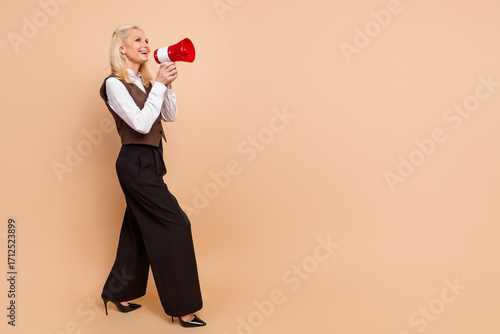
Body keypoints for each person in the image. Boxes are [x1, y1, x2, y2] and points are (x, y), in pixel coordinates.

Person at [99, 24, 205, 328]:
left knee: (137, 228)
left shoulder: (146, 81)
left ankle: (119, 291)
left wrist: (165, 85)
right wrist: (157, 84)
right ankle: (183, 308)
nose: (145, 44)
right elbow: (141, 125)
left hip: (152, 161)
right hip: (134, 163)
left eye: (147, 40)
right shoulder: (114, 84)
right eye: (138, 40)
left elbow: (168, 116)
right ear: (122, 49)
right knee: (176, 224)